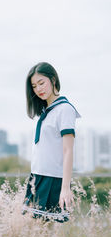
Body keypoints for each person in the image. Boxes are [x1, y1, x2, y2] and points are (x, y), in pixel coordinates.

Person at [23, 62, 81, 222]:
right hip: (38, 176)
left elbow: (68, 150)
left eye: (41, 83)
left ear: (53, 80)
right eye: (34, 86)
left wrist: (65, 188)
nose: (38, 89)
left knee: (45, 234)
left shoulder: (65, 109)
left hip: (52, 179)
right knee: (35, 234)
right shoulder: (46, 111)